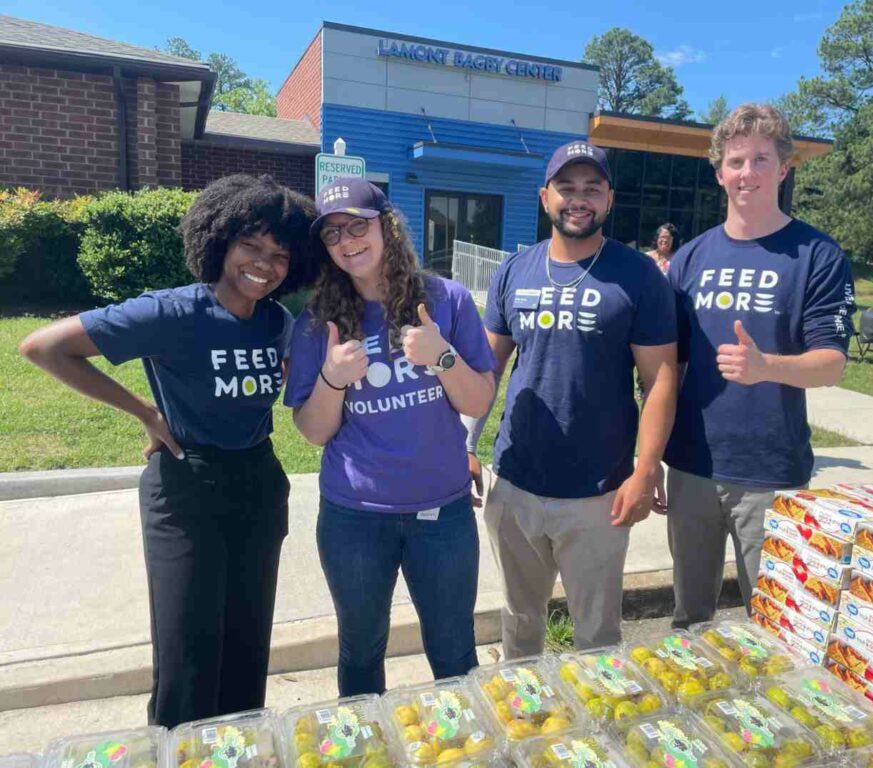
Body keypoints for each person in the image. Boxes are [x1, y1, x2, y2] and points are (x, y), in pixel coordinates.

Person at [19, 174, 318, 727]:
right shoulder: (173, 312)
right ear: (219, 240)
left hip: (258, 483)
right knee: (187, 652)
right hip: (185, 487)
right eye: (251, 245)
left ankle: (238, 752)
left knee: (247, 644)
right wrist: (146, 412)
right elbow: (44, 348)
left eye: (280, 254)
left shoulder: (278, 321)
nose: (265, 263)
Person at [285, 179, 496, 696]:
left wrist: (441, 356)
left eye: (359, 225)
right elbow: (313, 431)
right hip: (355, 518)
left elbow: (478, 401)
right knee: (360, 652)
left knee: (454, 652)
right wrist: (333, 378)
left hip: (442, 516)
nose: (348, 240)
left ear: (387, 226)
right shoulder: (317, 323)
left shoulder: (446, 299)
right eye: (334, 233)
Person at [468, 141, 678, 659]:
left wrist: (645, 470)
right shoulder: (515, 271)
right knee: (519, 621)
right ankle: (526, 723)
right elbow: (487, 369)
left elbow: (661, 380)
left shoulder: (638, 275)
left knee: (598, 635)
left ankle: (599, 730)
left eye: (592, 189)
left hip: (600, 495)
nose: (578, 199)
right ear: (545, 197)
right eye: (566, 187)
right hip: (514, 484)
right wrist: (464, 442)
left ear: (609, 200)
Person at [664, 104, 855, 627]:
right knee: (690, 620)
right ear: (719, 171)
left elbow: (832, 363)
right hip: (692, 467)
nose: (748, 173)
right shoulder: (690, 259)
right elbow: (668, 368)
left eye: (761, 160)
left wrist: (766, 365)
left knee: (776, 623)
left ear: (784, 167)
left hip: (771, 472)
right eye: (737, 161)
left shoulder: (816, 254)